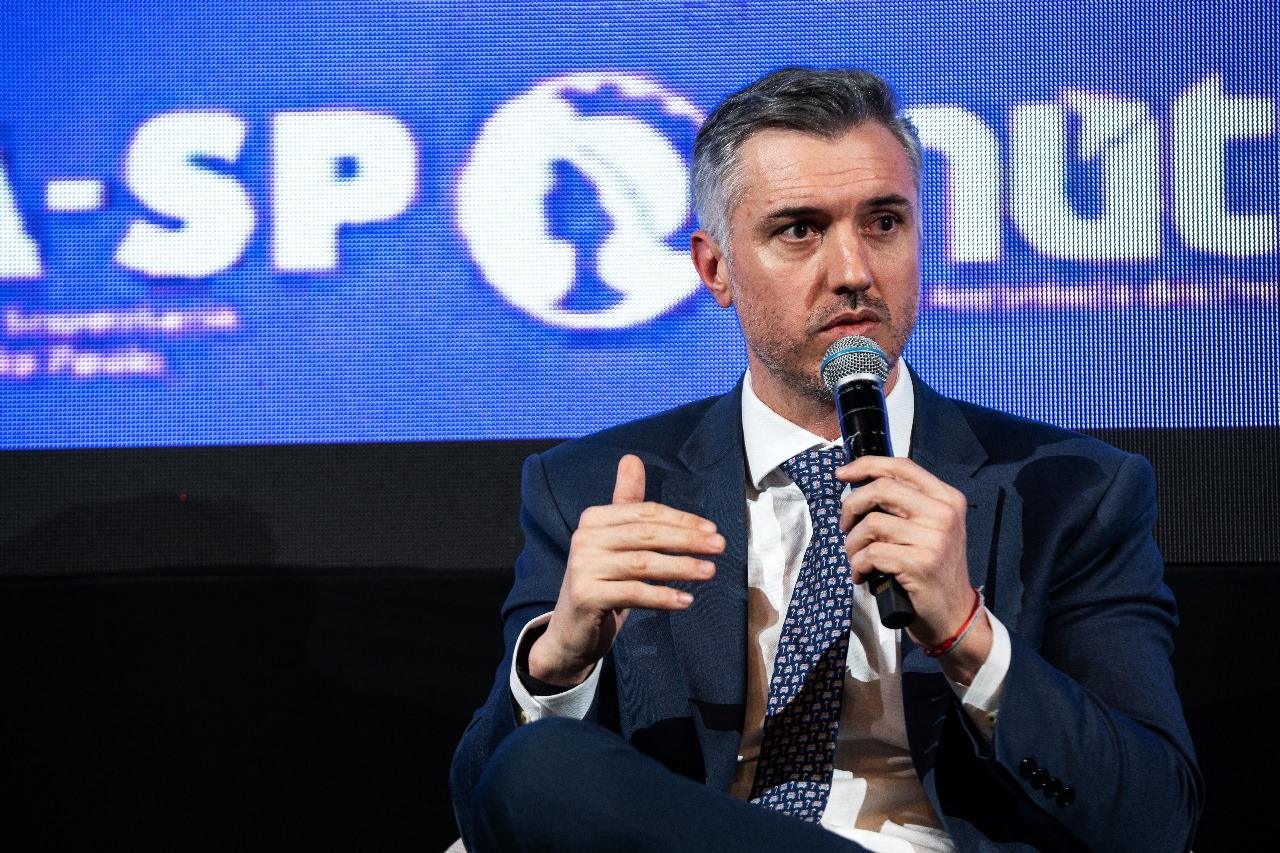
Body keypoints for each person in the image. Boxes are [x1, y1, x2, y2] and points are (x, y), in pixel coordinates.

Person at [450, 67, 1203, 852]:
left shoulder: (1072, 490)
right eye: (799, 230)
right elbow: (488, 809)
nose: (852, 271)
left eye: (884, 222)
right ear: (715, 269)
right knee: (538, 766)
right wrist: (558, 664)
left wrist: (967, 632)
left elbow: (1156, 821)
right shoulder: (590, 490)